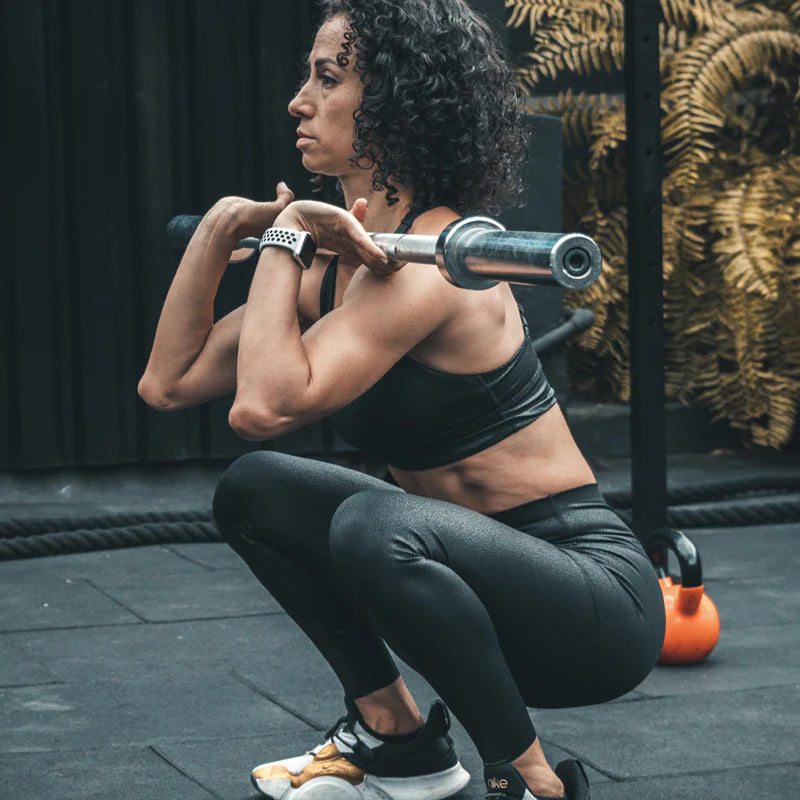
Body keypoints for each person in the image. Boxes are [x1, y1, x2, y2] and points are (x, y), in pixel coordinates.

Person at [138, 1, 666, 798]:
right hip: (459, 594)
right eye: (307, 78)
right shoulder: (334, 266)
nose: (298, 101)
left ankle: (531, 780)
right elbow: (169, 383)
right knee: (255, 490)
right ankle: (396, 736)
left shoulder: (434, 265)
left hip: (589, 601)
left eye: (327, 78)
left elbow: (262, 407)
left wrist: (281, 238)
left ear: (394, 103)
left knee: (372, 522)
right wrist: (218, 238)